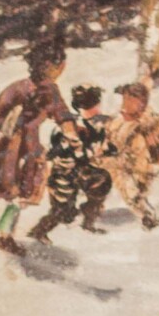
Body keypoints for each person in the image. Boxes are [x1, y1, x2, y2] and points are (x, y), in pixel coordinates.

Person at [0, 34, 74, 253]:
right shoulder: (51, 91)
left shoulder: (19, 85)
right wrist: (72, 135)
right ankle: (5, 236)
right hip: (24, 148)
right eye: (60, 64)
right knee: (18, 194)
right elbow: (63, 117)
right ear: (55, 67)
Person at [31, 84, 113, 236]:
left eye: (94, 104)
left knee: (100, 187)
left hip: (82, 170)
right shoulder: (69, 126)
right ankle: (38, 232)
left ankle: (88, 223)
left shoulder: (98, 124)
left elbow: (101, 146)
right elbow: (56, 151)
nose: (97, 108)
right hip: (64, 173)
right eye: (92, 104)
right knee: (62, 211)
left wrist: (106, 151)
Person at [96, 80, 159, 229]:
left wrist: (156, 136)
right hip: (116, 162)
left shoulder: (152, 120)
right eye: (124, 98)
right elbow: (108, 137)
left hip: (139, 163)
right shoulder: (117, 119)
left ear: (141, 102)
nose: (124, 103)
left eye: (129, 99)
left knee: (134, 191)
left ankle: (147, 215)